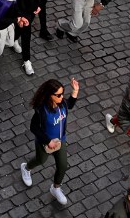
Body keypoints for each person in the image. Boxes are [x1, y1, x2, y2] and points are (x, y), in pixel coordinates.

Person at [19, 77, 80, 206]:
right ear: (49, 95)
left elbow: (70, 104)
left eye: (62, 93)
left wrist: (75, 91)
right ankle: (26, 168)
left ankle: (56, 188)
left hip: (60, 141)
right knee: (41, 160)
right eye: (58, 95)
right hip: (45, 142)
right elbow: (34, 127)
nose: (62, 97)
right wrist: (47, 141)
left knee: (63, 165)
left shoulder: (62, 103)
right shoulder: (42, 110)